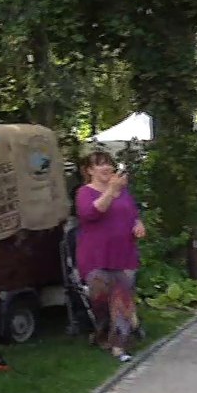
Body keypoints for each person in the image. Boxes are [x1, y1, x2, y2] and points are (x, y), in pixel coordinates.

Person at [75, 151, 145, 363]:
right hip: (96, 258)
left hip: (124, 256)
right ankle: (103, 334)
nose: (105, 168)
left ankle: (119, 346)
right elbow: (92, 213)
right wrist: (111, 191)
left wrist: (138, 224)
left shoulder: (123, 192)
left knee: (122, 301)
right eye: (99, 165)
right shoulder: (84, 192)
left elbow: (132, 214)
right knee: (101, 303)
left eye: (108, 164)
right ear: (89, 171)